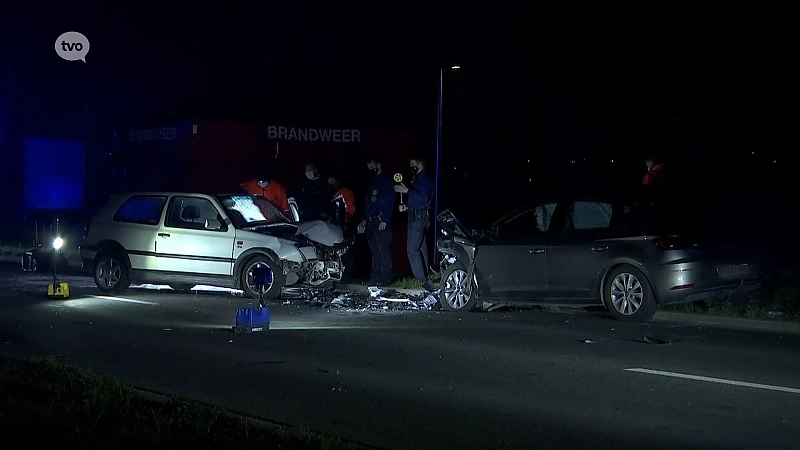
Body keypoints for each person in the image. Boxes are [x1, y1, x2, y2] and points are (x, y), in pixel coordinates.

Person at [394, 157, 437, 292]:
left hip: (418, 219)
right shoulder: (418, 179)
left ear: (421, 163)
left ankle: (422, 280)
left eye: (413, 164)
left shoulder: (424, 179)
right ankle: (424, 276)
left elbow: (424, 199)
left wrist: (407, 191)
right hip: (418, 217)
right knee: (421, 248)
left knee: (412, 250)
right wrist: (406, 207)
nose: (411, 166)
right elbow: (419, 201)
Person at [358, 158, 395, 286]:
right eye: (368, 167)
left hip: (381, 220)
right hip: (370, 221)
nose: (370, 169)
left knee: (383, 250)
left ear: (378, 165)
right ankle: (375, 276)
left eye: (372, 167)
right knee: (374, 251)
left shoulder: (386, 180)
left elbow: (390, 201)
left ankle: (386, 276)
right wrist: (364, 219)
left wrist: (385, 219)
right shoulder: (372, 182)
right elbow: (367, 202)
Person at [326, 174, 357, 280]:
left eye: (331, 177)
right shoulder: (330, 192)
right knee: (336, 250)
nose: (329, 180)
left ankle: (348, 275)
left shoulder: (344, 192)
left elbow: (350, 209)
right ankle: (338, 274)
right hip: (334, 226)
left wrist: (347, 224)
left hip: (344, 226)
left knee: (346, 250)